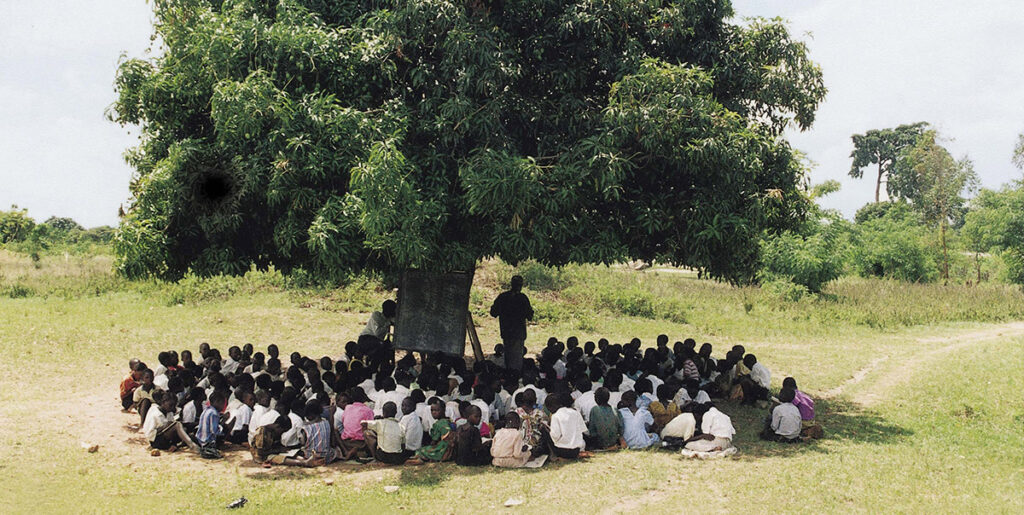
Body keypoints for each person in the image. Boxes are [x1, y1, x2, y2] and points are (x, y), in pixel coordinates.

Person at [489, 275, 534, 371]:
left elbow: (493, 313)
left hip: (506, 332)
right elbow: (530, 316)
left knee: (508, 357)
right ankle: (514, 378)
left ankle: (509, 377)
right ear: (521, 285)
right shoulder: (522, 298)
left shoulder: (503, 297)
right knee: (516, 360)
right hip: (518, 334)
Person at [283, 401, 339, 467]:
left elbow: (303, 442)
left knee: (293, 455)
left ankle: (307, 461)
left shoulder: (305, 427)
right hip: (326, 457)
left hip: (310, 456)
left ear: (311, 415)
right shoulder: (327, 423)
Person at [548, 393, 588, 459]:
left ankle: (552, 455)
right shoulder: (576, 412)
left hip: (562, 451)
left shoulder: (555, 416)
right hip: (577, 449)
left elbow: (555, 436)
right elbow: (583, 430)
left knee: (544, 430)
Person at [339, 389, 375, 460]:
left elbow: (344, 422)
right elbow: (370, 427)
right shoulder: (368, 410)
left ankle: (349, 451)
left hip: (346, 442)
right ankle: (359, 451)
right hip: (361, 443)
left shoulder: (347, 408)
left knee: (336, 431)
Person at [196, 390, 228, 459]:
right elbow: (214, 430)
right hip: (207, 441)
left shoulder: (206, 410)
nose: (223, 406)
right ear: (218, 402)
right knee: (226, 427)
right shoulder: (214, 413)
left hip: (200, 439)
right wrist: (224, 421)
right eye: (223, 404)